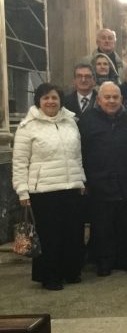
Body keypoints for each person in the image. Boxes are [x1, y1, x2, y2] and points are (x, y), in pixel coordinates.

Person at [12, 83, 86, 290]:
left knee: (72, 234)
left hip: (71, 187)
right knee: (49, 236)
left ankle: (71, 271)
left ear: (60, 100)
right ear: (38, 101)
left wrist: (81, 179)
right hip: (43, 191)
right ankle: (50, 276)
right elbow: (20, 162)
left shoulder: (70, 122)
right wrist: (22, 190)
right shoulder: (27, 127)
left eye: (54, 98)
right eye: (46, 98)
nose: (51, 102)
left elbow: (77, 155)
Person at [79, 82, 127, 276]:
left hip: (125, 180)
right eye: (107, 97)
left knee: (126, 224)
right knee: (102, 226)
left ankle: (125, 259)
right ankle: (104, 261)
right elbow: (79, 152)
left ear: (121, 99)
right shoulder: (87, 120)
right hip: (99, 181)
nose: (111, 101)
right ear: (98, 100)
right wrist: (84, 180)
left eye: (115, 97)